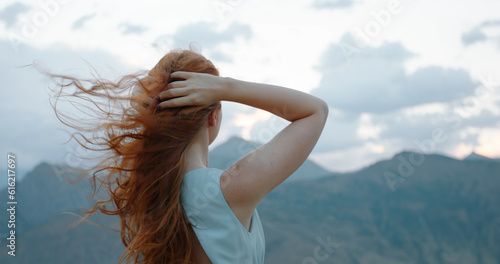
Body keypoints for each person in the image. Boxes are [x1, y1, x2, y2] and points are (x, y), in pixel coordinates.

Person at [48, 49, 328, 264]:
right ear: (214, 115)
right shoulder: (230, 190)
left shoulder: (151, 190)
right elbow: (315, 110)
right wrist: (227, 87)